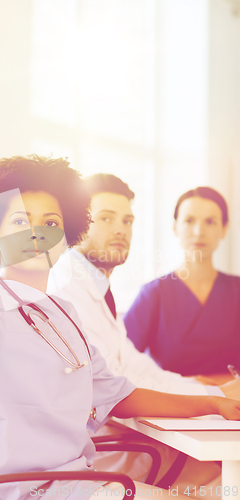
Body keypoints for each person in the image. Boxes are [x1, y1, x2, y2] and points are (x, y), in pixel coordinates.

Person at [0, 114, 240, 500]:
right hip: (22, 492)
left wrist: (214, 404)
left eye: (51, 222)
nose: (38, 232)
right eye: (21, 220)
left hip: (82, 485)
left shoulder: (64, 313)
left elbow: (120, 396)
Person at [48, 174, 240, 492]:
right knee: (226, 483)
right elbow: (116, 390)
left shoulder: (95, 290)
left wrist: (215, 393)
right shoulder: (68, 289)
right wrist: (214, 397)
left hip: (124, 440)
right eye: (106, 218)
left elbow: (137, 367)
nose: (121, 229)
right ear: (77, 225)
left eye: (128, 220)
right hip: (100, 453)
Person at [124, 187, 240, 377]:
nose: (198, 231)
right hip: (174, 403)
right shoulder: (153, 294)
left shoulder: (237, 291)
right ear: (175, 227)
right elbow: (123, 364)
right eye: (189, 220)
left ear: (224, 229)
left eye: (210, 222)